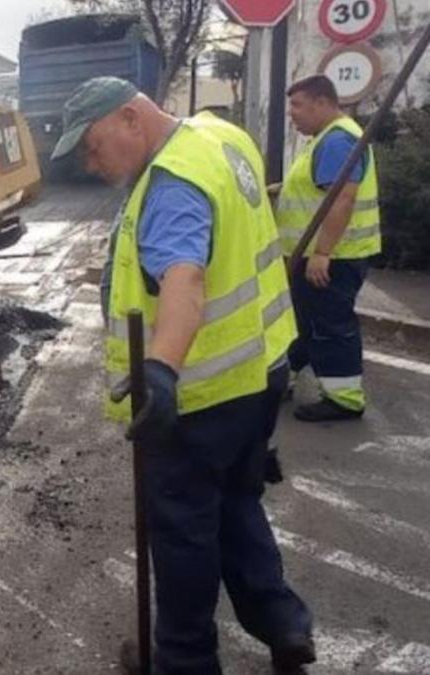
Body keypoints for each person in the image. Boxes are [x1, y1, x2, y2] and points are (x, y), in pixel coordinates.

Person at [52, 77, 314, 674]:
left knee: (184, 534)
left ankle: (183, 661)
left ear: (129, 118)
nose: (91, 165)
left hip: (199, 398)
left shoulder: (171, 184)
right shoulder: (219, 135)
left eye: (92, 147)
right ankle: (283, 623)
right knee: (238, 504)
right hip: (258, 371)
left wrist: (162, 372)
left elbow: (185, 280)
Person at [276, 75, 381, 423]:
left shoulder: (338, 140)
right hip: (321, 255)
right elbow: (315, 190)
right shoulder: (328, 138)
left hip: (333, 257)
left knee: (329, 326)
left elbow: (342, 199)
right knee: (304, 322)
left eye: (298, 105)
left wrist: (322, 253)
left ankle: (344, 399)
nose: (292, 114)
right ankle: (282, 379)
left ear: (323, 103)